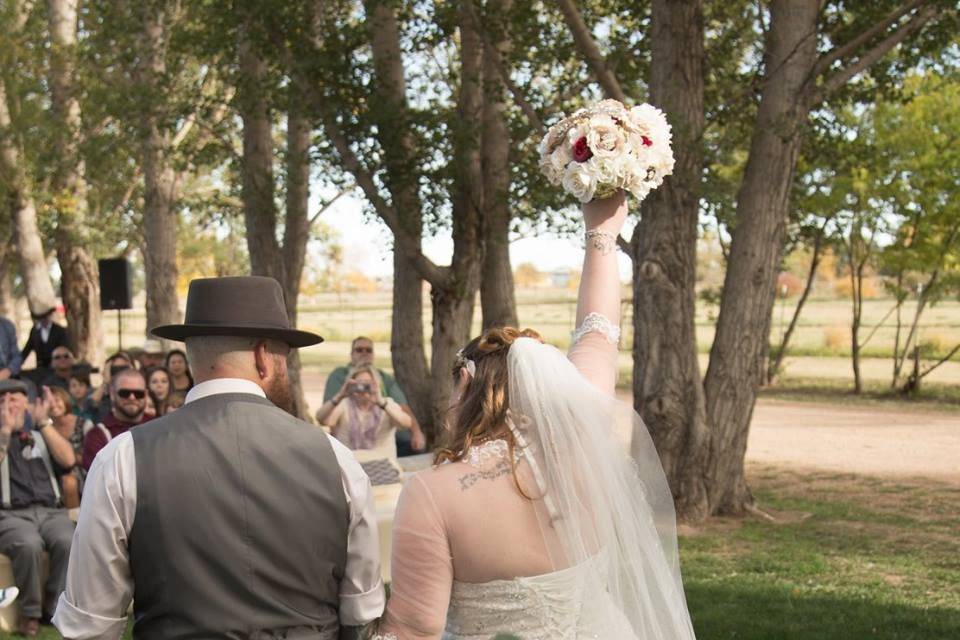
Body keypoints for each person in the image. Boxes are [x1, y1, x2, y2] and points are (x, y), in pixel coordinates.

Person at [371, 193, 697, 639]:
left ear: (467, 386)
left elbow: (414, 629)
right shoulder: (584, 439)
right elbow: (598, 336)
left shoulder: (432, 494)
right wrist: (602, 231)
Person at [54, 276, 384, 639]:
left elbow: (89, 624)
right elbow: (361, 611)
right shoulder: (336, 459)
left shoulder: (122, 458)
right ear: (263, 357)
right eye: (284, 358)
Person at [0, 380, 76, 637]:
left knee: (68, 538)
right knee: (28, 543)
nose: (8, 405)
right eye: (2, 400)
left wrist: (44, 424)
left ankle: (54, 609)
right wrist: (5, 431)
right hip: (11, 514)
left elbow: (68, 460)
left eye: (15, 399)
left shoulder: (42, 433)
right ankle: (30, 613)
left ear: (29, 405)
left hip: (51, 511)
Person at [324, 337, 425, 454]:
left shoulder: (384, 377)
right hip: (350, 427)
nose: (364, 353)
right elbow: (329, 413)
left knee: (410, 443)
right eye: (359, 350)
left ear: (373, 354)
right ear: (351, 354)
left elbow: (403, 407)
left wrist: (417, 432)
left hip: (385, 427)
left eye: (368, 350)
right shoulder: (339, 375)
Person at [316, 365, 419, 462]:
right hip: (351, 463)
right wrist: (339, 396)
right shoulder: (344, 404)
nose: (363, 387)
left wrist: (381, 402)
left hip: (382, 464)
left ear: (377, 384)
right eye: (359, 383)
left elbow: (406, 423)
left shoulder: (387, 403)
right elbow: (323, 420)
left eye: (367, 383)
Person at [81, 369, 151, 471]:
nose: (132, 397)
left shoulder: (160, 426)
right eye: (124, 393)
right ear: (112, 394)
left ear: (146, 395)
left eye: (138, 393)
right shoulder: (97, 436)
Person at [47, 386, 90, 509]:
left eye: (57, 400)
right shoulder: (45, 429)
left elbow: (91, 457)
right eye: (49, 402)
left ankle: (74, 522)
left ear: (65, 401)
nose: (53, 405)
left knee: (69, 482)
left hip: (83, 472)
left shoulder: (84, 424)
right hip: (54, 474)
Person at [20, 308, 69, 372]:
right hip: (41, 370)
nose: (43, 320)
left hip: (56, 370)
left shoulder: (59, 330)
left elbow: (63, 349)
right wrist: (16, 364)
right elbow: (27, 350)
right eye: (41, 318)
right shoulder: (35, 331)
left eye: (45, 317)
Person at [89, 352, 133, 421]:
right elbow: (90, 405)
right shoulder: (102, 395)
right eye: (115, 369)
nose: (119, 373)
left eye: (124, 368)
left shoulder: (136, 393)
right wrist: (106, 381)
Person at [0, 315, 22, 381]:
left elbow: (17, 356)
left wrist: (8, 371)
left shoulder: (6, 325)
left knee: (30, 388)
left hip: (8, 376)